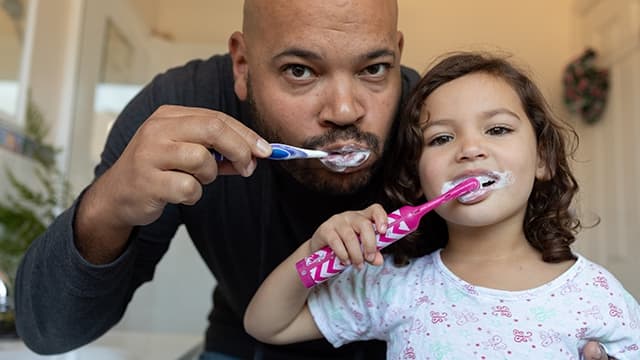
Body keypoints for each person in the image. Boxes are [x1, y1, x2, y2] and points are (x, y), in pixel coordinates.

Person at [244, 52, 640, 359]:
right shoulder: (397, 288)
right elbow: (266, 324)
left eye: (497, 129)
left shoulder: (596, 294)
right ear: (418, 177)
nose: (469, 149)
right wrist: (315, 251)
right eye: (440, 139)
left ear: (543, 160)